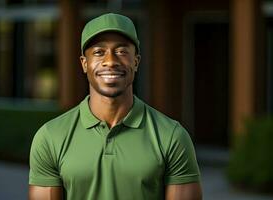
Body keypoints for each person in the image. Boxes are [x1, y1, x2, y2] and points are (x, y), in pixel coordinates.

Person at [29, 13, 202, 200]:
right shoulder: (50, 137)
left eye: (121, 51)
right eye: (99, 52)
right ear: (84, 64)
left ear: (135, 62)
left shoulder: (172, 136)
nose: (110, 61)